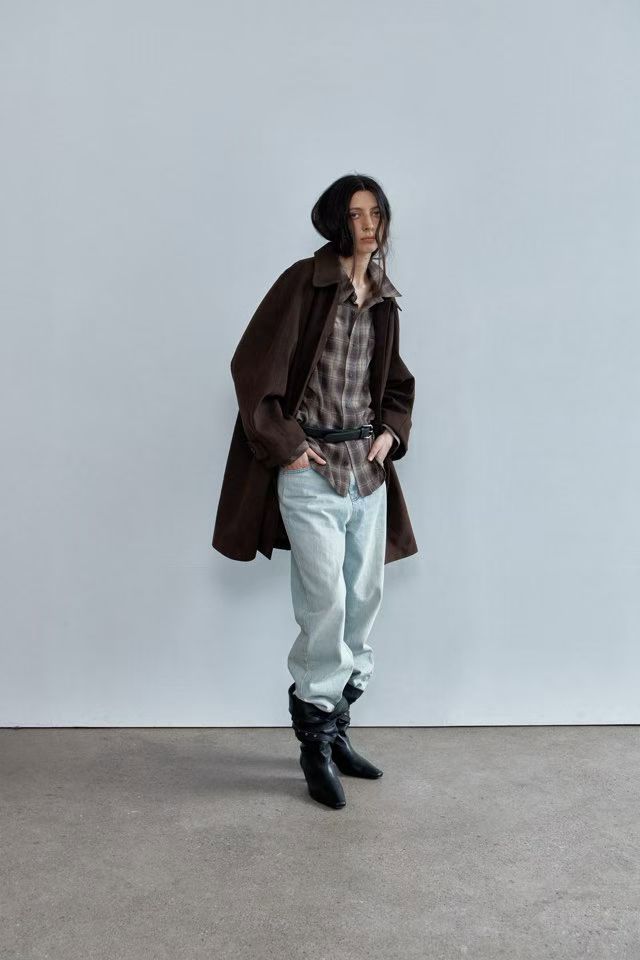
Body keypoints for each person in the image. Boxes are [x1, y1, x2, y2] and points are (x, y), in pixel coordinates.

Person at [212, 173, 417, 809]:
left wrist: (391, 433)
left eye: (375, 213)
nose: (368, 225)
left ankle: (336, 728)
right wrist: (289, 447)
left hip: (367, 474)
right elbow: (252, 367)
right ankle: (314, 744)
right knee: (324, 602)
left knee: (363, 601)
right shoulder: (304, 281)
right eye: (355, 214)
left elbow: (397, 382)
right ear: (335, 220)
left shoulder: (383, 297)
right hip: (311, 472)